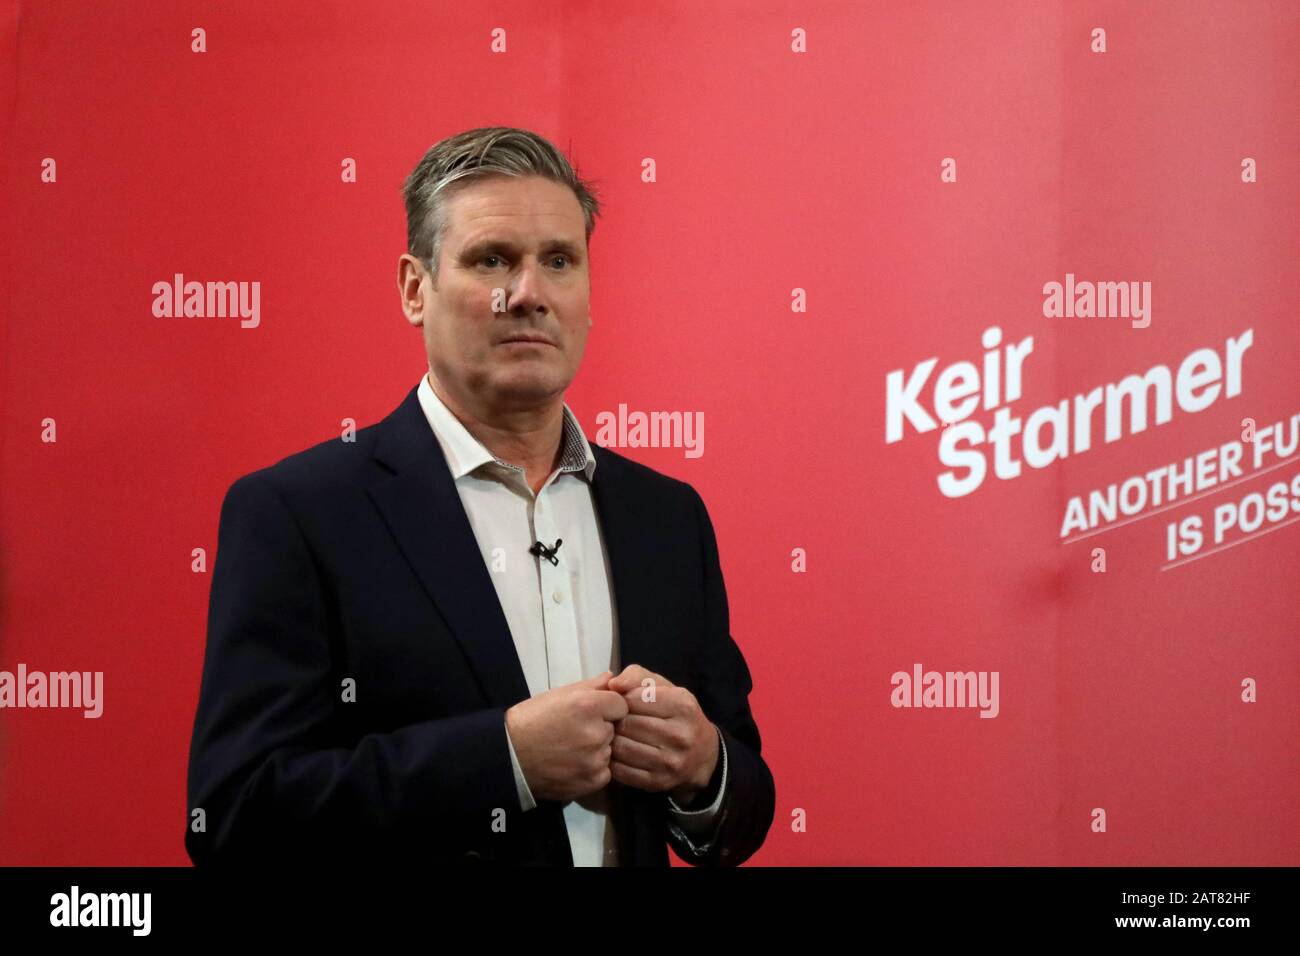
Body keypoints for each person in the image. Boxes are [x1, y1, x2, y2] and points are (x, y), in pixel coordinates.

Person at [185, 126, 775, 866]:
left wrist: (704, 770)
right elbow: (238, 817)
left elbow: (741, 805)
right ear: (413, 288)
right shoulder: (298, 514)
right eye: (492, 259)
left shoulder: (667, 517)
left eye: (559, 261)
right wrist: (506, 762)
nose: (527, 294)